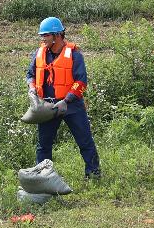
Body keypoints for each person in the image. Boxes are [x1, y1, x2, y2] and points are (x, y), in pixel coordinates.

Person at [27, 17, 102, 179]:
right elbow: (30, 75)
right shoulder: (39, 53)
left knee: (85, 141)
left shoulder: (74, 54)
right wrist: (32, 88)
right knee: (43, 146)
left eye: (46, 35)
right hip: (47, 107)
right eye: (42, 35)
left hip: (72, 105)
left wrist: (66, 101)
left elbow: (81, 82)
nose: (43, 39)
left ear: (57, 35)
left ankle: (93, 174)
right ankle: (44, 178)